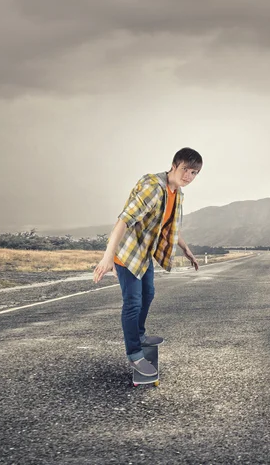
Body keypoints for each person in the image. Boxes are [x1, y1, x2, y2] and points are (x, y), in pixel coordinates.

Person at [93, 147, 202, 376]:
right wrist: (107, 258)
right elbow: (123, 220)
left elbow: (172, 226)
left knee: (149, 294)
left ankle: (140, 334)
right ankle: (134, 354)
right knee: (132, 303)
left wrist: (187, 250)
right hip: (127, 253)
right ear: (174, 166)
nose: (188, 177)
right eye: (185, 170)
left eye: (194, 173)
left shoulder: (177, 193)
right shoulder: (153, 188)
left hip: (144, 254)